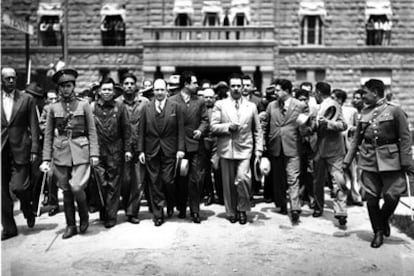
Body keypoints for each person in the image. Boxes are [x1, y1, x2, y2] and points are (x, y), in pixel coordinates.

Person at [344, 79, 412, 248]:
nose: (363, 96)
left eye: (365, 93)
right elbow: (356, 141)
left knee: (392, 196)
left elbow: (405, 138)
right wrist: (347, 161)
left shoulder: (395, 111)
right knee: (371, 199)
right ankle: (378, 232)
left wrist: (406, 163)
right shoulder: (364, 113)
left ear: (375, 92)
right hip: (369, 161)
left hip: (391, 161)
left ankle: (383, 219)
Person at [40, 68, 99, 239]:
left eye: (69, 85)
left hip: (81, 151)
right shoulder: (53, 107)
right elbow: (49, 135)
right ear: (58, 88)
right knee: (66, 190)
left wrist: (94, 154)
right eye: (63, 86)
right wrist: (45, 159)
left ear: (74, 86)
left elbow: (92, 131)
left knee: (77, 187)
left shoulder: (84, 105)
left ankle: (84, 214)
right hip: (61, 153)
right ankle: (70, 225)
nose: (66, 89)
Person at [210, 73, 263, 225]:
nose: (236, 89)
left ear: (243, 87)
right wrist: (228, 127)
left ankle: (242, 209)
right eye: (233, 86)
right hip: (227, 148)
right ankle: (231, 211)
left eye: (238, 86)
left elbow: (257, 130)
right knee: (228, 184)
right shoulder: (220, 104)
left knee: (243, 179)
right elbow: (213, 126)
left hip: (245, 148)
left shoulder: (251, 106)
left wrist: (258, 150)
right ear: (229, 87)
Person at [138, 78, 185, 226]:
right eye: (156, 90)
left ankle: (170, 203)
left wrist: (180, 149)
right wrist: (141, 151)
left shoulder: (175, 107)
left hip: (169, 150)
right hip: (152, 150)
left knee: (168, 180)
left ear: (167, 91)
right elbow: (141, 131)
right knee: (154, 183)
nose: (159, 92)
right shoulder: (146, 108)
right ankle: (158, 214)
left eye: (161, 90)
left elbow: (180, 130)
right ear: (153, 91)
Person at [1, 67, 40, 241]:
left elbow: (34, 126)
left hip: (21, 148)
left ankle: (27, 208)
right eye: (7, 78)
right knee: (2, 192)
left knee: (19, 187)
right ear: (1, 80)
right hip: (1, 149)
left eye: (13, 78)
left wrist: (34, 148)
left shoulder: (27, 99)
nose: (10, 81)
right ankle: (9, 228)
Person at [265, 79, 308, 224]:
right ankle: (282, 204)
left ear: (287, 91)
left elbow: (309, 126)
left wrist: (304, 127)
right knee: (278, 179)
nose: (275, 93)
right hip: (275, 146)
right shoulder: (271, 106)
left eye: (277, 90)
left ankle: (295, 208)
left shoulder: (300, 105)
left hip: (293, 146)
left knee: (293, 178)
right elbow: (265, 125)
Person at [92, 78, 132, 228]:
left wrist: (128, 150)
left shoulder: (120, 107)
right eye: (104, 89)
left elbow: (126, 130)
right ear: (99, 91)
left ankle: (110, 216)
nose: (107, 92)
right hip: (98, 150)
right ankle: (103, 209)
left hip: (116, 150)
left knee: (114, 185)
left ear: (114, 91)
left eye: (110, 89)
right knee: (101, 183)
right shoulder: (92, 107)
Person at [170, 72, 209, 223]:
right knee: (180, 179)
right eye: (194, 83)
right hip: (178, 146)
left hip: (195, 145)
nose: (197, 85)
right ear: (186, 84)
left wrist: (200, 129)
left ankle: (195, 210)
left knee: (196, 179)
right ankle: (181, 207)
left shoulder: (199, 101)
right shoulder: (172, 100)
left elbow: (205, 120)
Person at [312, 82, 348, 226]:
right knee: (317, 181)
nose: (314, 95)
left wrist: (328, 123)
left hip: (334, 150)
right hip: (318, 148)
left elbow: (343, 125)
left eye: (315, 92)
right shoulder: (316, 107)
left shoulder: (334, 105)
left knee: (337, 180)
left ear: (319, 92)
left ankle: (341, 211)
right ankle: (318, 207)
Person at [117, 72, 149, 224]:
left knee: (138, 181)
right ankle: (125, 205)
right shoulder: (117, 103)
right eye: (126, 83)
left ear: (136, 85)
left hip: (140, 147)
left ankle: (132, 212)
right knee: (125, 180)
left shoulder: (144, 103)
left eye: (131, 83)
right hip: (122, 149)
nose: (129, 86)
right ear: (122, 86)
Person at [332, 89, 363, 206]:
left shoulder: (351, 111)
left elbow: (357, 128)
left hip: (348, 145)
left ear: (340, 100)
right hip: (335, 146)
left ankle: (356, 196)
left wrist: (349, 128)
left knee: (353, 172)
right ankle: (344, 196)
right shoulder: (330, 110)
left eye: (334, 98)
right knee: (341, 174)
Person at [38, 90, 60, 216]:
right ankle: (53, 203)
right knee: (51, 176)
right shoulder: (46, 109)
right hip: (52, 146)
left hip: (66, 146)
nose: (53, 101)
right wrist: (51, 128)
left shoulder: (62, 106)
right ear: (46, 100)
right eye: (50, 99)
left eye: (55, 98)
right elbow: (41, 125)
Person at [200, 88, 223, 205]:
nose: (208, 99)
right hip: (204, 140)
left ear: (215, 98)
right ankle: (209, 194)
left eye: (211, 97)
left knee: (217, 167)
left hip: (216, 140)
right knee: (205, 170)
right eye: (206, 97)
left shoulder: (219, 108)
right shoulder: (200, 108)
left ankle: (221, 194)